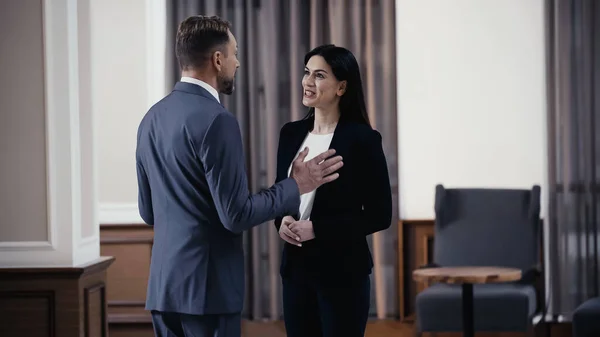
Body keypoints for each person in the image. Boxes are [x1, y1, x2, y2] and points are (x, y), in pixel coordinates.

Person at [135, 16, 343, 337]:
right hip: (209, 293)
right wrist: (296, 185)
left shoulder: (151, 119)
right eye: (234, 53)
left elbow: (148, 212)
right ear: (217, 60)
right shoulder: (218, 121)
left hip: (164, 291)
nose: (238, 62)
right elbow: (236, 215)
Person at [274, 44, 393, 337]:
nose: (307, 82)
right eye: (306, 73)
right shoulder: (290, 134)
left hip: (343, 273)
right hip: (296, 270)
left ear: (341, 87)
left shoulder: (363, 139)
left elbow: (380, 216)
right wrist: (282, 222)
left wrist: (318, 228)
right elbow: (282, 195)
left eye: (319, 75)